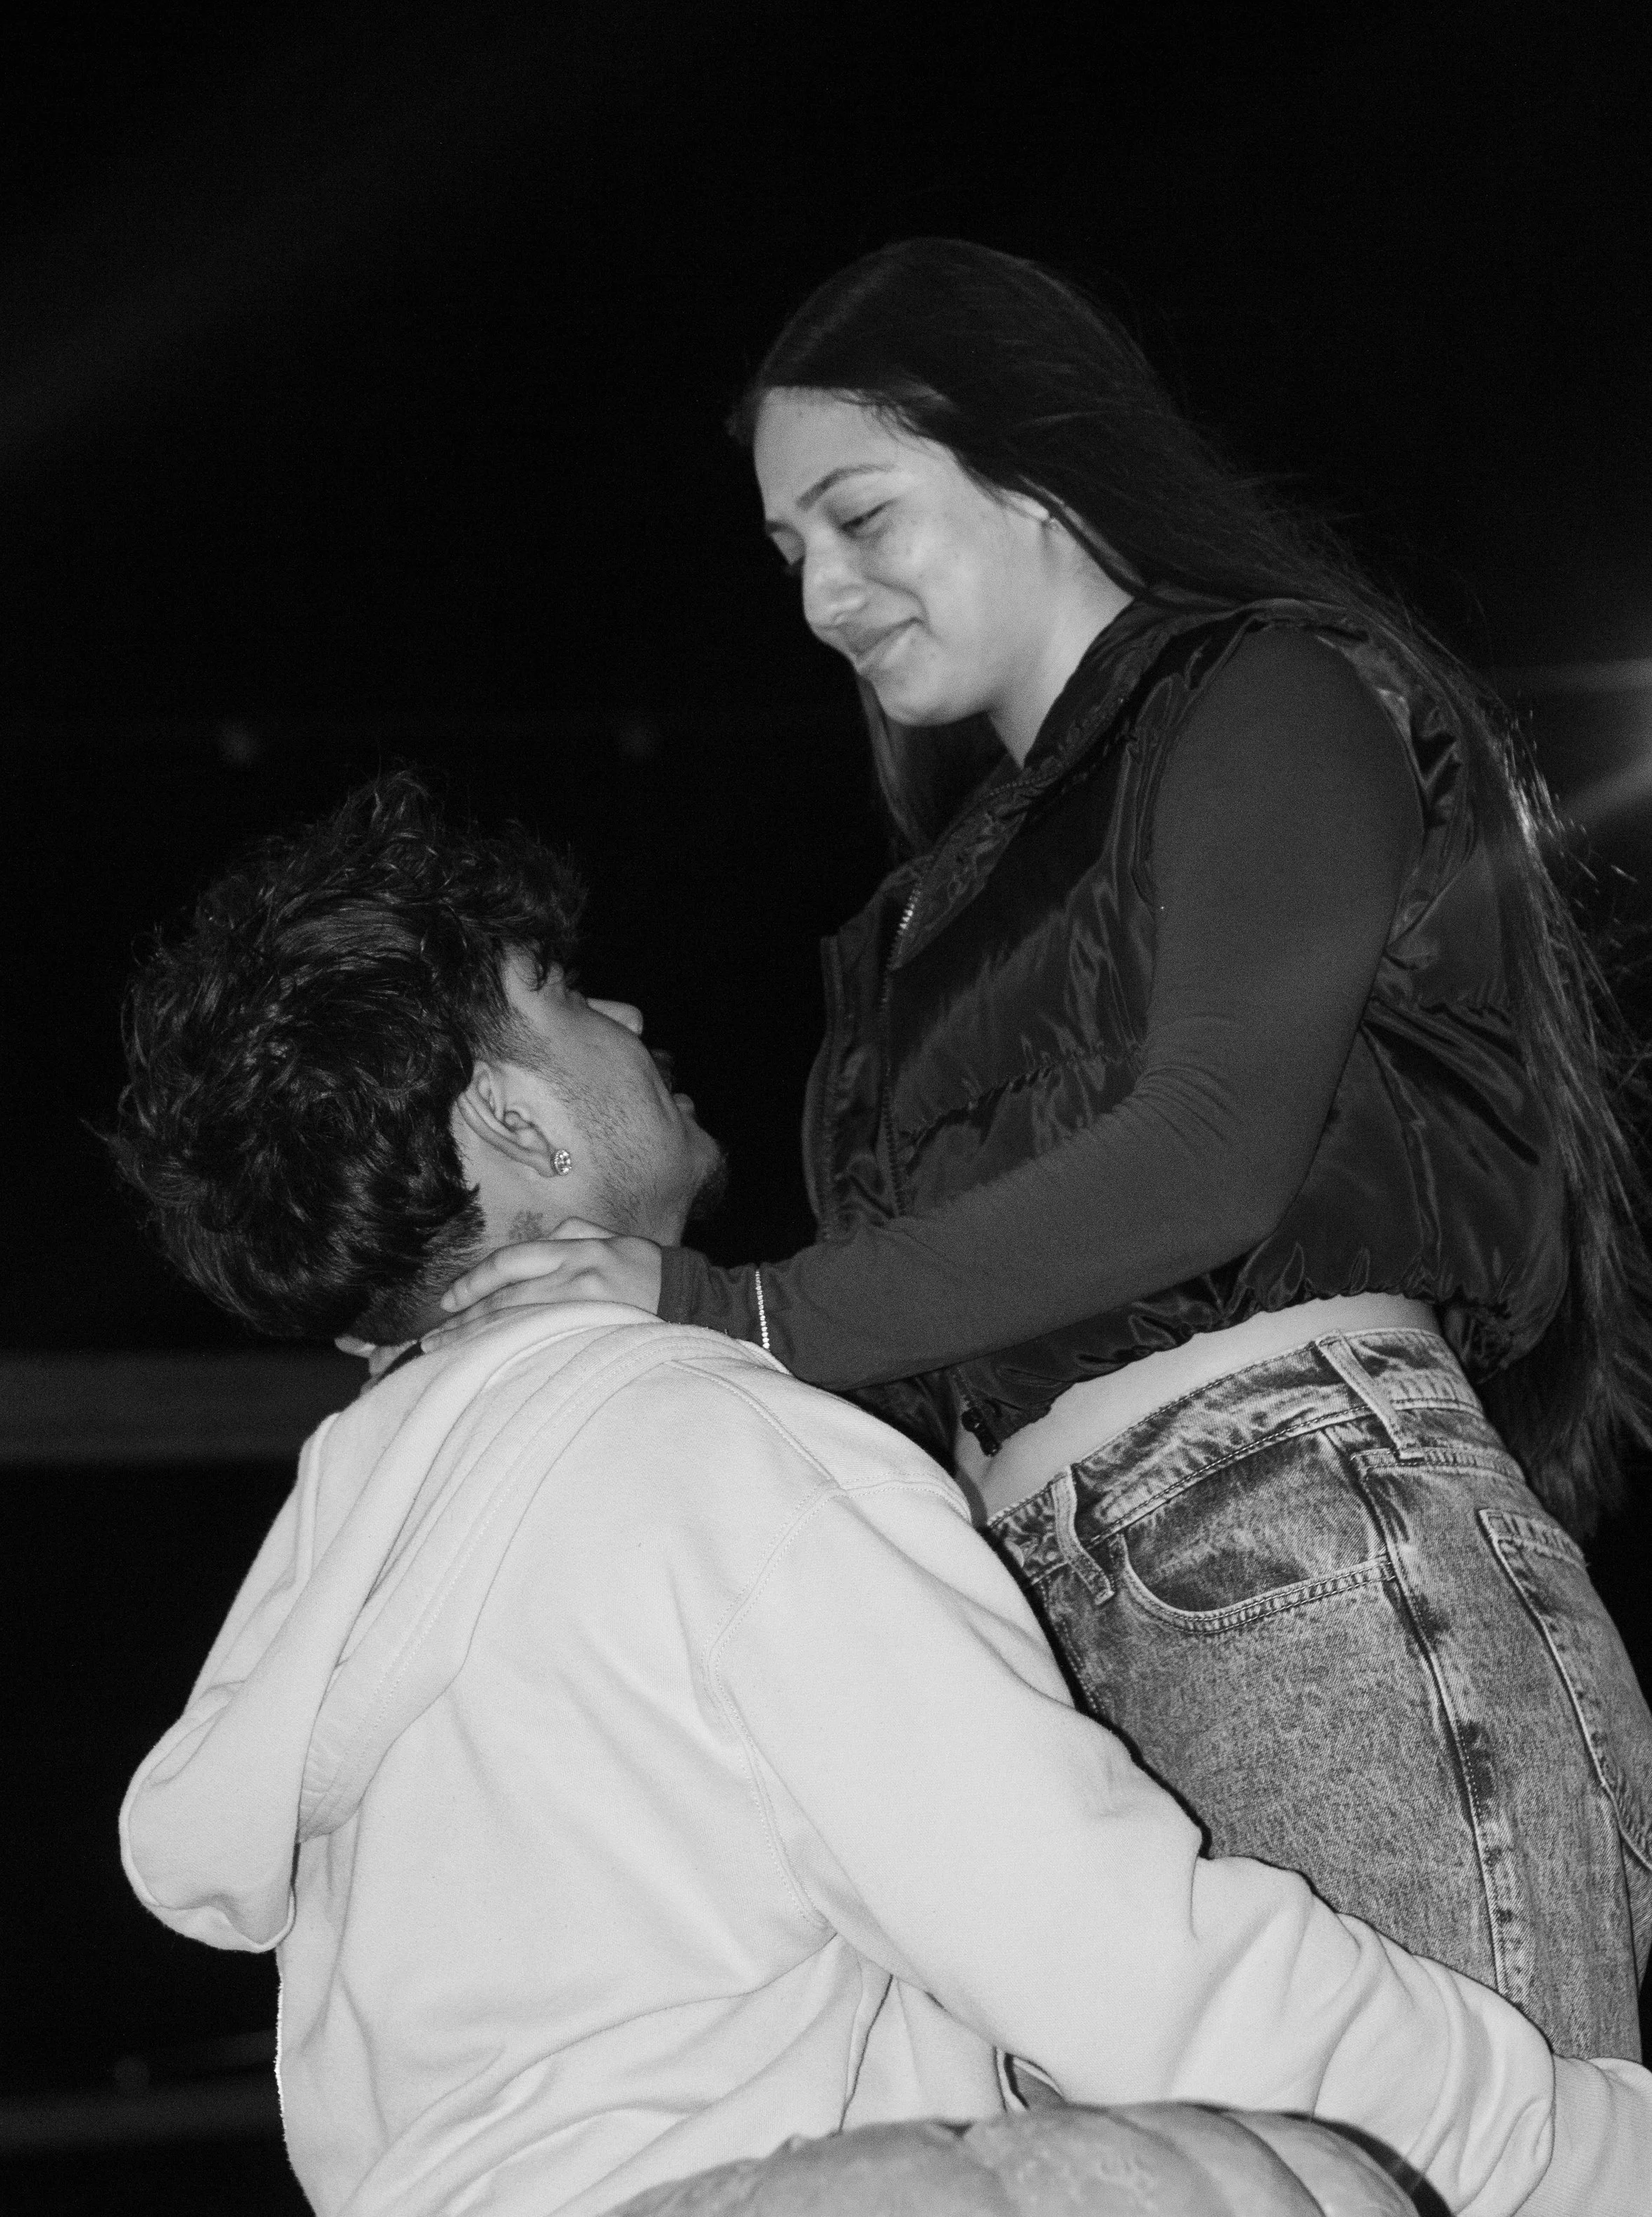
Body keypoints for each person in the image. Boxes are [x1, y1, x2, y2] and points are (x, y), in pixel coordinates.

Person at [111, 773, 1648, 2217]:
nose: (627, 1011)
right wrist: (1582, 2148)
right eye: (565, 996)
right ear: (513, 1122)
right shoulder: (688, 1445)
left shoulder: (351, 1560)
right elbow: (1108, 1961)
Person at [444, 239, 1652, 2063]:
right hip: (1057, 1651)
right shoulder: (933, 905)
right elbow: (944, 1315)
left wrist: (733, 1307)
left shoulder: (1271, 692)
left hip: (1293, 1550)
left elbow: (1212, 1150)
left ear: (1041, 458)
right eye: (789, 555)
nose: (822, 597)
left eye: (860, 517)